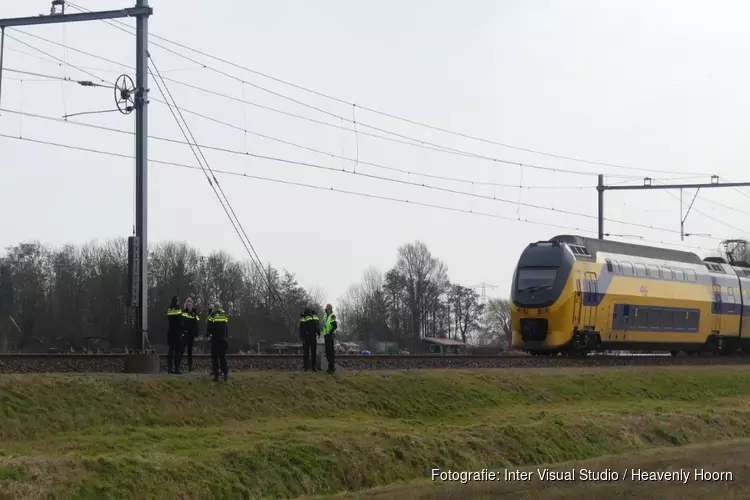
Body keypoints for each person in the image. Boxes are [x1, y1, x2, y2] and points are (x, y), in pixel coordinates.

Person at [206, 301, 229, 381]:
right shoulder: (224, 314)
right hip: (222, 339)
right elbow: (226, 326)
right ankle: (225, 373)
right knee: (223, 357)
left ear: (215, 308)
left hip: (215, 339)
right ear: (220, 307)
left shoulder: (213, 314)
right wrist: (226, 336)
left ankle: (216, 375)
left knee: (215, 357)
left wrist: (211, 312)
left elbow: (208, 321)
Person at [299, 301, 320, 372]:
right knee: (306, 353)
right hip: (306, 336)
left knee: (314, 352)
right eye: (310, 307)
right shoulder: (303, 314)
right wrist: (302, 336)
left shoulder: (315, 314)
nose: (311, 308)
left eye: (312, 307)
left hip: (314, 336)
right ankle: (305, 367)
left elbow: (317, 325)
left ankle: (314, 367)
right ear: (308, 307)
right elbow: (301, 326)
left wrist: (319, 332)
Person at [181, 298, 200, 372]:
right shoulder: (184, 312)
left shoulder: (194, 313)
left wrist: (196, 333)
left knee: (190, 351)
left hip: (191, 334)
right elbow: (182, 322)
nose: (189, 306)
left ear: (192, 305)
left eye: (190, 305)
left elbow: (197, 324)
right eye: (188, 305)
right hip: (185, 333)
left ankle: (189, 366)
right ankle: (178, 365)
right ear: (186, 305)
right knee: (181, 349)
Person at [166, 295, 183, 374]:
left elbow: (169, 319)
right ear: (177, 301)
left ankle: (169, 368)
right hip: (177, 332)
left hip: (170, 332)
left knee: (170, 351)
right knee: (177, 351)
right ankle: (176, 368)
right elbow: (180, 321)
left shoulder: (169, 310)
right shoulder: (178, 309)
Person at [322, 303, 338, 373]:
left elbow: (335, 326)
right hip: (327, 336)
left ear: (330, 309)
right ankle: (330, 368)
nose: (327, 310)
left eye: (328, 308)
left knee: (330, 353)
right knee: (328, 352)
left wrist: (329, 333)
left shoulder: (332, 316)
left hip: (330, 337)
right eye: (326, 308)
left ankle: (332, 368)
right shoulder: (328, 316)